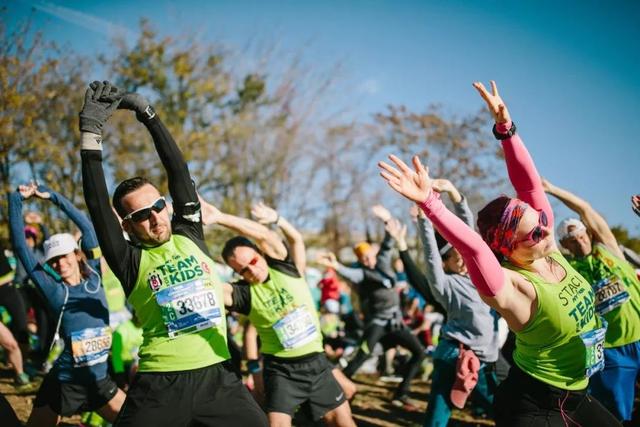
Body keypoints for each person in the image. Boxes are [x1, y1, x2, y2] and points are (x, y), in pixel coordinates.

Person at [377, 80, 620, 426]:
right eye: (535, 231)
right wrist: (431, 204)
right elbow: (474, 247)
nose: (547, 229)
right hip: (535, 405)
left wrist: (506, 130)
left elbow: (530, 186)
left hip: (578, 394)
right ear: (511, 248)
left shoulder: (548, 250)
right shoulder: (512, 286)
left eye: (542, 221)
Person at [80, 81, 267, 426]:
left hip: (219, 379)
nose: (154, 217)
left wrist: (148, 115)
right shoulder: (129, 259)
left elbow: (179, 172)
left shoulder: (189, 233)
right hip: (160, 385)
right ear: (127, 224)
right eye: (141, 214)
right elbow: (95, 203)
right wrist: (91, 133)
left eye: (157, 206)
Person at [200, 199, 355, 427]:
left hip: (317, 364)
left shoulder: (285, 267)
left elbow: (265, 235)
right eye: (242, 270)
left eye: (252, 261)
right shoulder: (244, 294)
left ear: (260, 253)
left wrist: (220, 218)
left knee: (343, 421)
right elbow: (207, 288)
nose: (251, 270)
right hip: (282, 372)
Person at [9, 182, 126, 425]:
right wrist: (16, 200)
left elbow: (87, 227)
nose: (60, 264)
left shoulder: (95, 278)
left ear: (76, 254)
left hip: (100, 380)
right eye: (54, 261)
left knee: (139, 420)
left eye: (64, 256)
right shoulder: (53, 289)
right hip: (65, 383)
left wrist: (53, 196)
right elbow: (21, 247)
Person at [387, 178, 501, 426]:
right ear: (445, 263)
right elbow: (430, 256)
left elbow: (469, 235)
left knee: (502, 410)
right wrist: (423, 222)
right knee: (437, 418)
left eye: (460, 253)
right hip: (455, 356)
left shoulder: (479, 276)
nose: (459, 258)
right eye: (452, 256)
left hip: (485, 360)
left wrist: (453, 193)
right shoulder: (445, 285)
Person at [544, 179, 640, 422]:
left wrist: (551, 189)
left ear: (587, 232)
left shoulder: (609, 249)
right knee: (618, 413)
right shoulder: (569, 270)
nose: (579, 240)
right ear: (564, 245)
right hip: (612, 351)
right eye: (572, 239)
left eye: (581, 234)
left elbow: (585, 209)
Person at [318, 205, 426, 409]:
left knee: (419, 353)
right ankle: (340, 388)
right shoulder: (363, 273)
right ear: (359, 260)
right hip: (377, 324)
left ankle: (401, 394)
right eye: (363, 259)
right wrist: (336, 266)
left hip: (395, 323)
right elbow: (351, 274)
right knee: (363, 355)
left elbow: (388, 242)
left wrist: (386, 220)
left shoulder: (384, 261)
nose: (367, 260)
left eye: (369, 256)